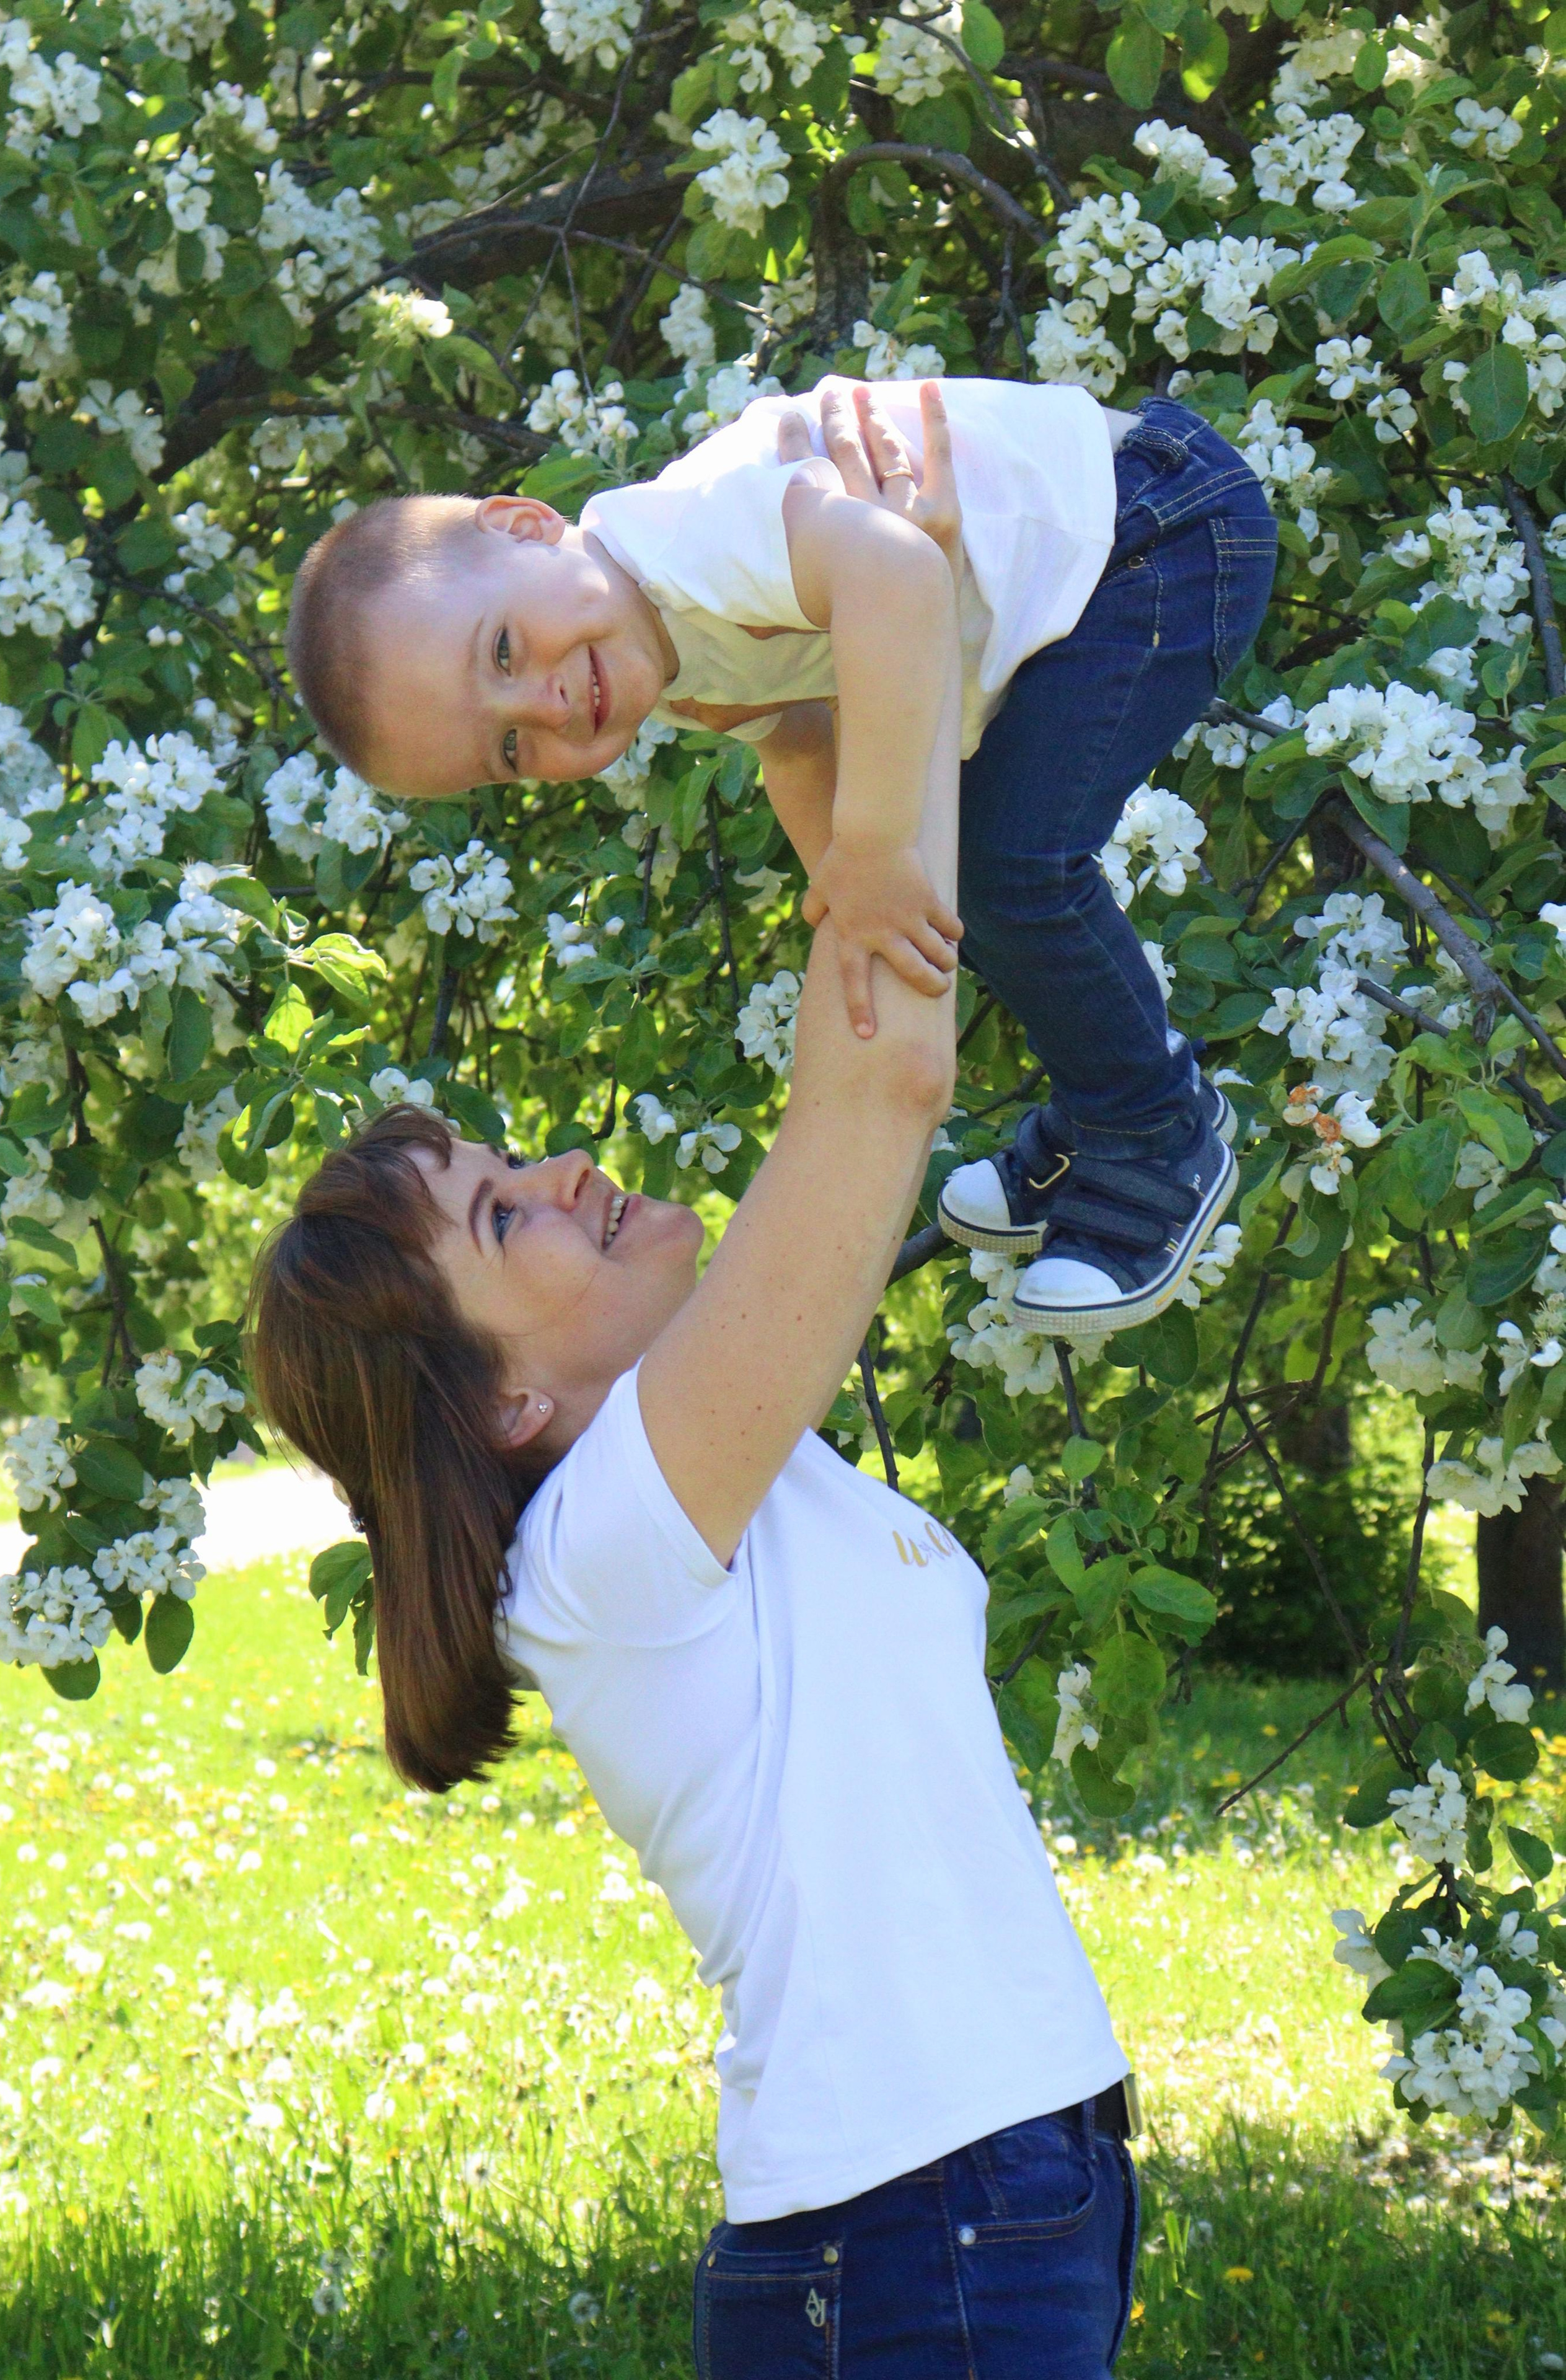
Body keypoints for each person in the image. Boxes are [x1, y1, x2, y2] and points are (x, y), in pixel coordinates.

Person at [252, 416, 1142, 2376]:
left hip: (988, 2199)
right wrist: (882, 636)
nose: (564, 1173)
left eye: (509, 1158)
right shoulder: (618, 1540)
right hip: (922, 2233)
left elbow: (868, 924)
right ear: (492, 1406)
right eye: (506, 1213)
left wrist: (845, 605)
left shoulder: (692, 1498)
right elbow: (884, 1076)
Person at [284, 373, 1276, 1339]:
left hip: (1154, 531)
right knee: (942, 895)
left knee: (1012, 870)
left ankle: (1154, 1131)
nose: (539, 705)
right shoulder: (659, 645)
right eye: (508, 751)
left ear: (529, 524)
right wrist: (856, 919)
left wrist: (876, 848)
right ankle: (1101, 1108)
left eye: (502, 650)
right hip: (1105, 562)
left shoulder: (686, 537)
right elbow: (797, 738)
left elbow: (894, 571)